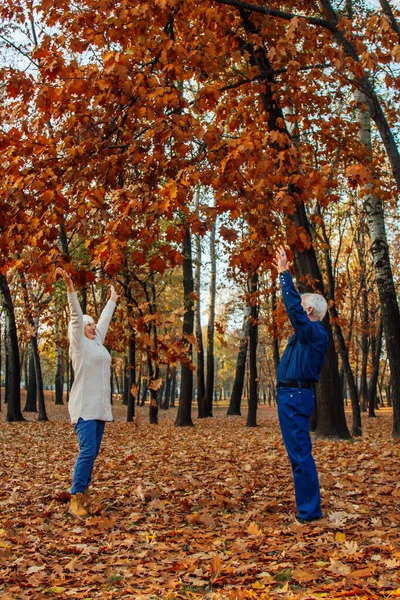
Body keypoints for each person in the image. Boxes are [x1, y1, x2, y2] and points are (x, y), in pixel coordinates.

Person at [56, 268, 119, 520]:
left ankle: (83, 494)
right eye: (88, 324)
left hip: (100, 409)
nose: (93, 327)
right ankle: (75, 497)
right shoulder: (80, 346)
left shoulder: (97, 343)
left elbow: (104, 321)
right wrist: (71, 289)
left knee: (92, 453)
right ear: (80, 330)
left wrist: (112, 300)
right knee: (87, 451)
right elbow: (75, 316)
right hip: (84, 408)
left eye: (93, 324)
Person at [272, 246, 329, 524]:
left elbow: (293, 309)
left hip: (295, 396)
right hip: (291, 395)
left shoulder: (314, 332)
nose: (297, 311)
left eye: (301, 305)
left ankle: (309, 513)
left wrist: (285, 275)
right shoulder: (308, 334)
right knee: (297, 455)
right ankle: (307, 509)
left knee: (300, 455)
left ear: (309, 309)